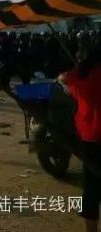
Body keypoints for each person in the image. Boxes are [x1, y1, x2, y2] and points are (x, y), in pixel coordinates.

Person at [59, 44, 101, 232]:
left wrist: (66, 80)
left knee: (91, 185)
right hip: (93, 135)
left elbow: (64, 78)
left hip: (91, 137)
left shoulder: (84, 73)